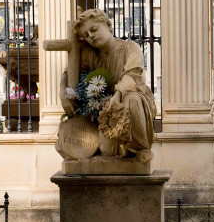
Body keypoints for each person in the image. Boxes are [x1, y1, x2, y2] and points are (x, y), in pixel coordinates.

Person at [60, 8, 155, 159]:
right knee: (107, 151)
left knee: (132, 100)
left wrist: (117, 95)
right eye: (86, 35)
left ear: (109, 26)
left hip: (131, 99)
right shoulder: (89, 55)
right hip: (104, 107)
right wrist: (62, 92)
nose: (90, 35)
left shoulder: (130, 48)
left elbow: (133, 75)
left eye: (94, 29)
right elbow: (70, 72)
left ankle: (140, 149)